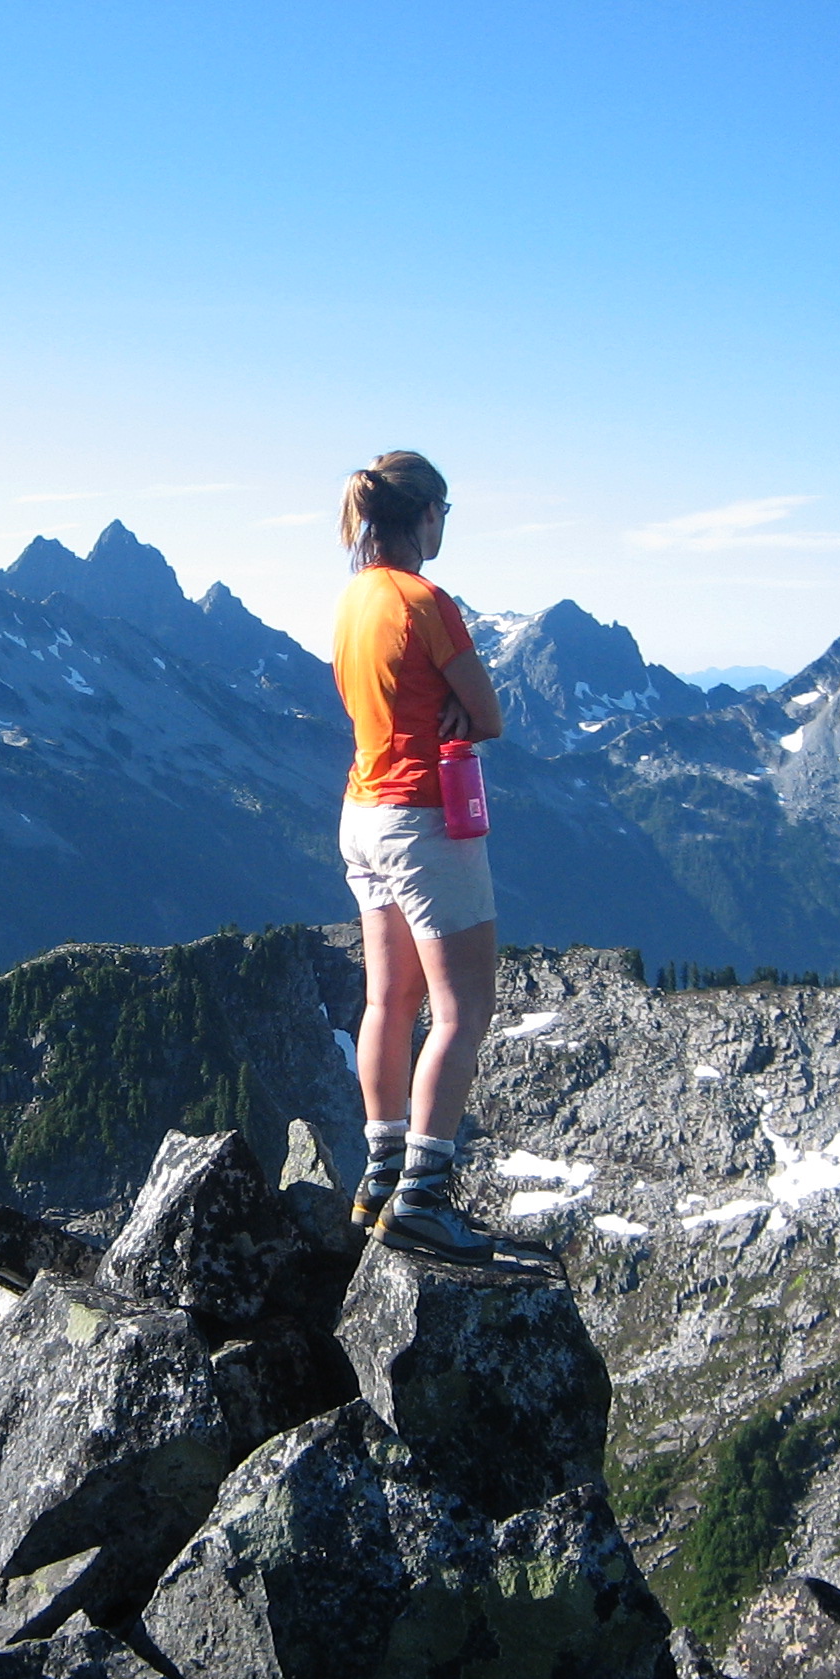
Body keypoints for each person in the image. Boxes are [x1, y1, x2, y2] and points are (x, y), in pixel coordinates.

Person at [330, 451, 505, 1266]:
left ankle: (379, 1175)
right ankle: (425, 1199)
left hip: (361, 811)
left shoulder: (353, 599)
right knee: (462, 1010)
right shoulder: (428, 602)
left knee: (387, 1000)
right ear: (426, 513)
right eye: (446, 511)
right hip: (424, 820)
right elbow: (488, 713)